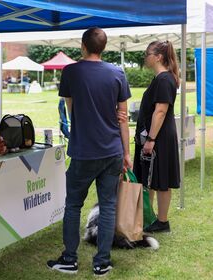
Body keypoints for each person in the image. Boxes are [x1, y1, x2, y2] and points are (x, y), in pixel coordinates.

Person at [47, 27, 132, 277]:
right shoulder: (117, 73)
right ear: (103, 48)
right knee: (108, 206)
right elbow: (123, 118)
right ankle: (102, 262)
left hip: (84, 150)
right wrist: (127, 153)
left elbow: (70, 109)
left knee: (73, 205)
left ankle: (70, 260)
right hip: (112, 150)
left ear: (83, 46)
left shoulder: (71, 72)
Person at [133, 40, 180, 233]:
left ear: (158, 57)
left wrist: (151, 140)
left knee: (160, 179)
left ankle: (161, 221)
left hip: (158, 137)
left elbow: (160, 111)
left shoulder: (164, 79)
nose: (146, 57)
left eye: (148, 53)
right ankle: (151, 218)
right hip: (156, 136)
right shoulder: (161, 78)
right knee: (151, 179)